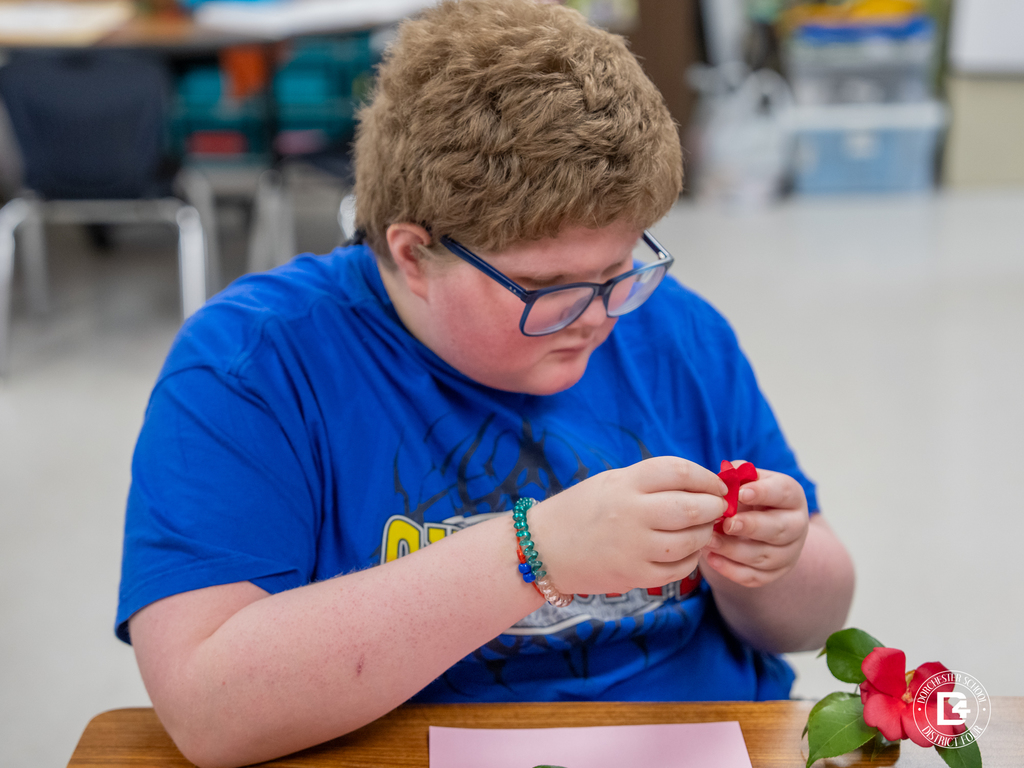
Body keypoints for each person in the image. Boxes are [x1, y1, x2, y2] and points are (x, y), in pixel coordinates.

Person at [117, 2, 855, 767]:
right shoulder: (254, 364)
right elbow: (208, 710)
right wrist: (536, 555)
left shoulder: (673, 329)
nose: (598, 316)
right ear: (411, 254)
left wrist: (774, 561)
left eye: (618, 268)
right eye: (548, 287)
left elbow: (813, 620)